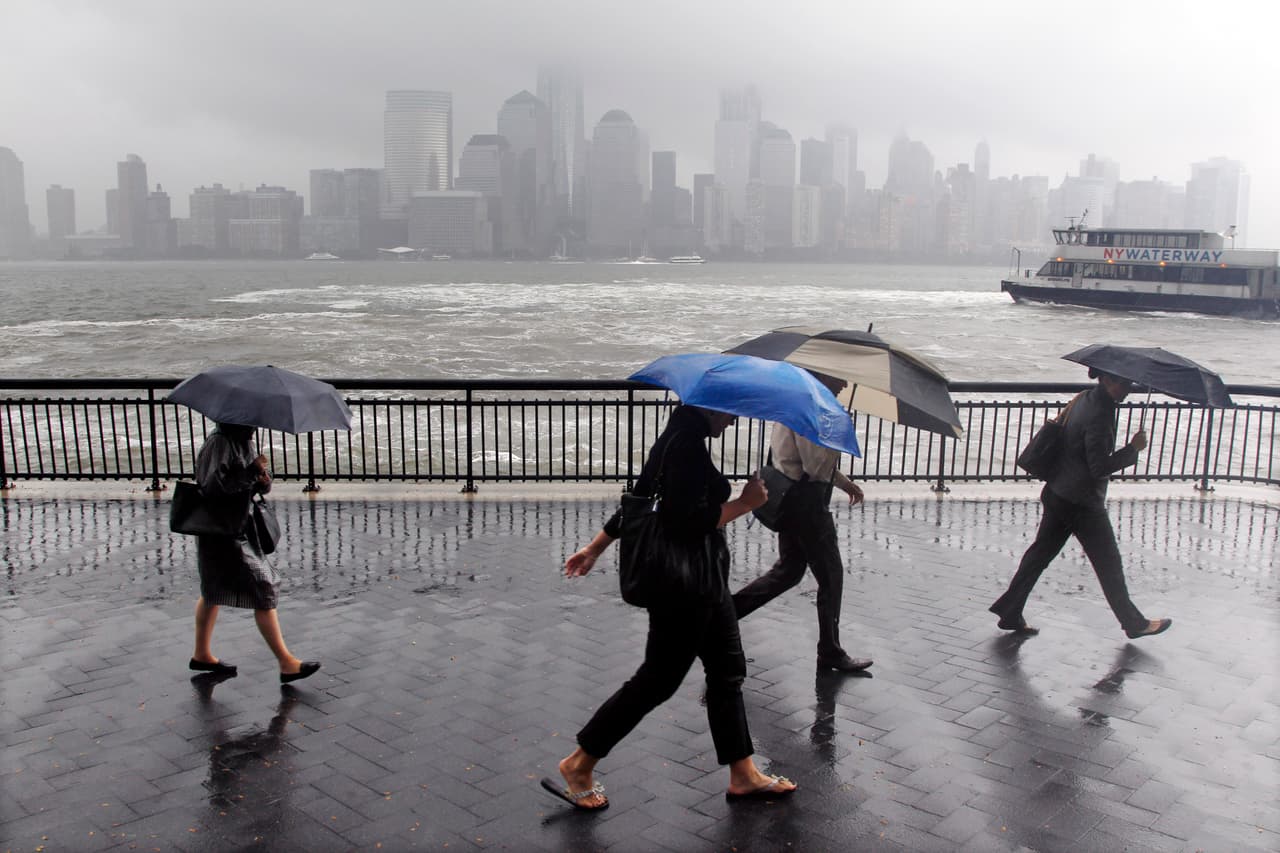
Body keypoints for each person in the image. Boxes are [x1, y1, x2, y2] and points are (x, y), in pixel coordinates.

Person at [542, 405, 797, 811]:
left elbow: (639, 502)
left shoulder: (678, 437)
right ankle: (579, 763)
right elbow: (685, 522)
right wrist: (746, 503)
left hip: (705, 584)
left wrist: (595, 547)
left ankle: (744, 773)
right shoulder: (686, 447)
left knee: (728, 671)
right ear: (709, 408)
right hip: (685, 590)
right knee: (658, 680)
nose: (732, 421)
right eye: (729, 414)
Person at [989, 370, 1172, 640]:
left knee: (1038, 556)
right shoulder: (1101, 413)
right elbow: (1099, 467)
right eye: (1124, 382)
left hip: (1057, 491)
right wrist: (1132, 449)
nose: (1128, 388)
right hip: (1082, 503)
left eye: (1130, 383)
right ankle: (1134, 623)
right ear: (1108, 380)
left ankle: (1010, 611)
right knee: (1109, 564)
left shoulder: (1084, 398)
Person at [732, 419, 873, 673]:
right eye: (838, 381)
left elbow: (802, 461)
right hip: (807, 507)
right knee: (831, 576)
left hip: (792, 501)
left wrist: (844, 483)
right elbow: (815, 467)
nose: (842, 386)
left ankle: (724, 615)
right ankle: (830, 651)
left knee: (789, 571)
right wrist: (835, 441)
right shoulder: (810, 416)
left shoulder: (794, 409)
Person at [189, 422, 321, 684]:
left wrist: (263, 480)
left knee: (212, 590)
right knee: (263, 584)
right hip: (222, 532)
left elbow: (251, 486)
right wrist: (251, 472)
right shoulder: (219, 443)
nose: (256, 425)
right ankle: (286, 662)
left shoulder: (242, 440)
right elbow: (212, 489)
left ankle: (201, 654)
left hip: (238, 527)